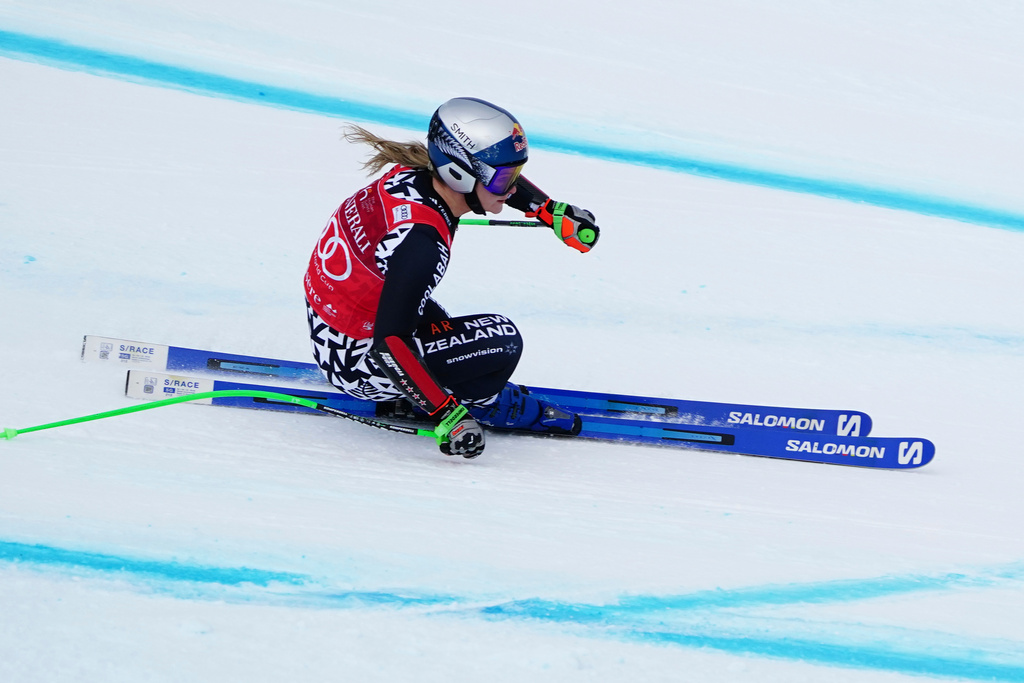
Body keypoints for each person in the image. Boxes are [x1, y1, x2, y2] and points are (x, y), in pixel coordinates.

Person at [303, 97, 600, 459]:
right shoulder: (421, 243)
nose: (510, 190)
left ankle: (437, 389)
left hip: (338, 328)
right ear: (457, 173)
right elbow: (389, 344)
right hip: (360, 365)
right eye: (505, 179)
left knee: (442, 325)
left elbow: (490, 177)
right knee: (501, 339)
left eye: (515, 175)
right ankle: (485, 404)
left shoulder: (411, 176)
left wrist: (550, 211)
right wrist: (449, 415)